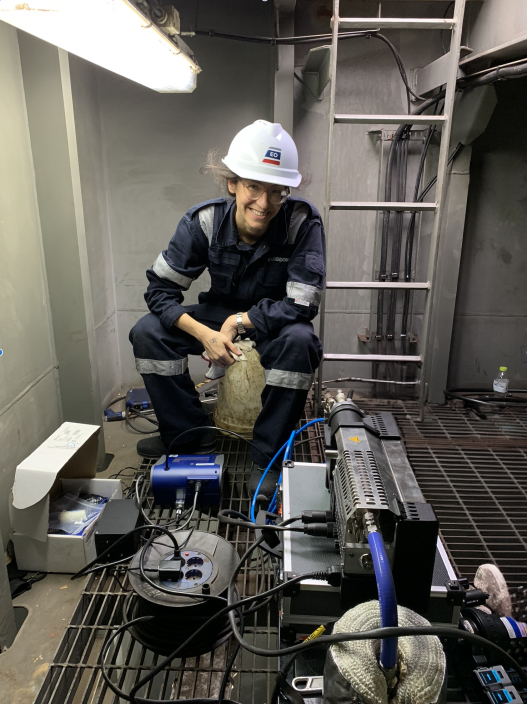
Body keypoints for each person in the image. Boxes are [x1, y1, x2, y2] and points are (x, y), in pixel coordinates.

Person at [129, 120, 326, 500]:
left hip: (272, 320)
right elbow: (160, 291)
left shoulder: (301, 222)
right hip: (216, 316)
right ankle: (186, 436)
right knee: (148, 332)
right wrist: (206, 333)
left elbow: (302, 302)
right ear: (231, 183)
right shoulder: (204, 222)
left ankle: (267, 457)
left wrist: (240, 322)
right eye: (253, 186)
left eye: (276, 192)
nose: (264, 204)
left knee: (300, 341)